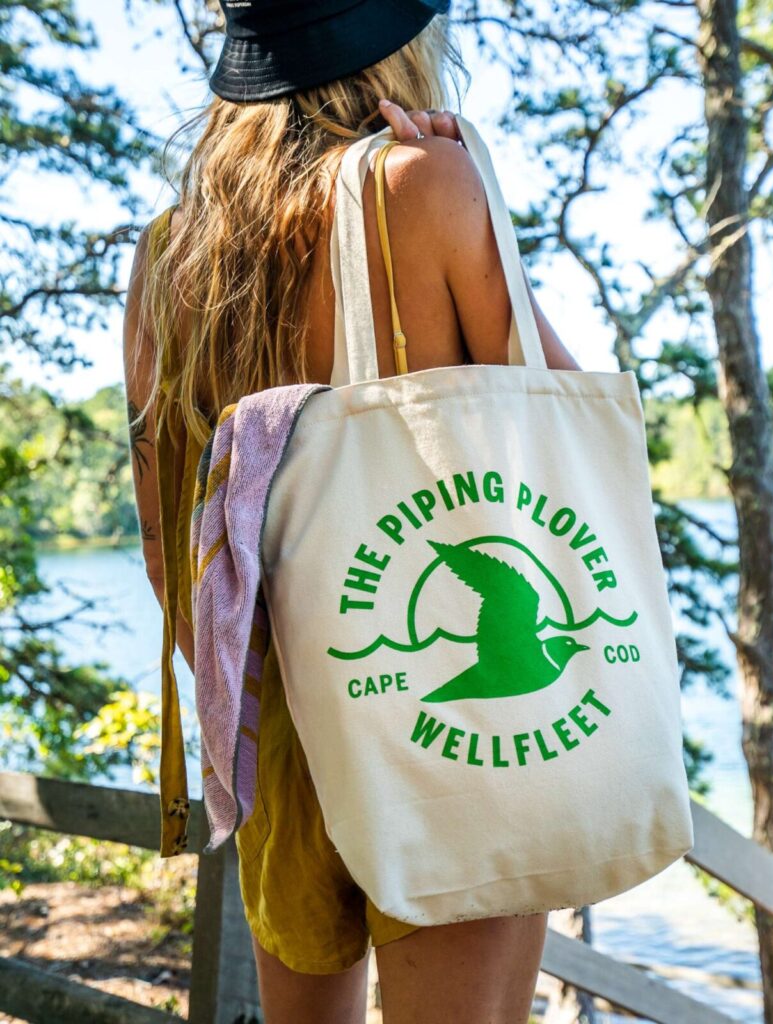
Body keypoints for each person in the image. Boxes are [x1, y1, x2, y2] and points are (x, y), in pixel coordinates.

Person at [122, 2, 581, 1022]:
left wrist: (282, 713)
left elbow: (168, 550)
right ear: (397, 46)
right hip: (457, 739)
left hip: (283, 734)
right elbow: (583, 443)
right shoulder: (424, 184)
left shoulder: (167, 254)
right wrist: (474, 192)